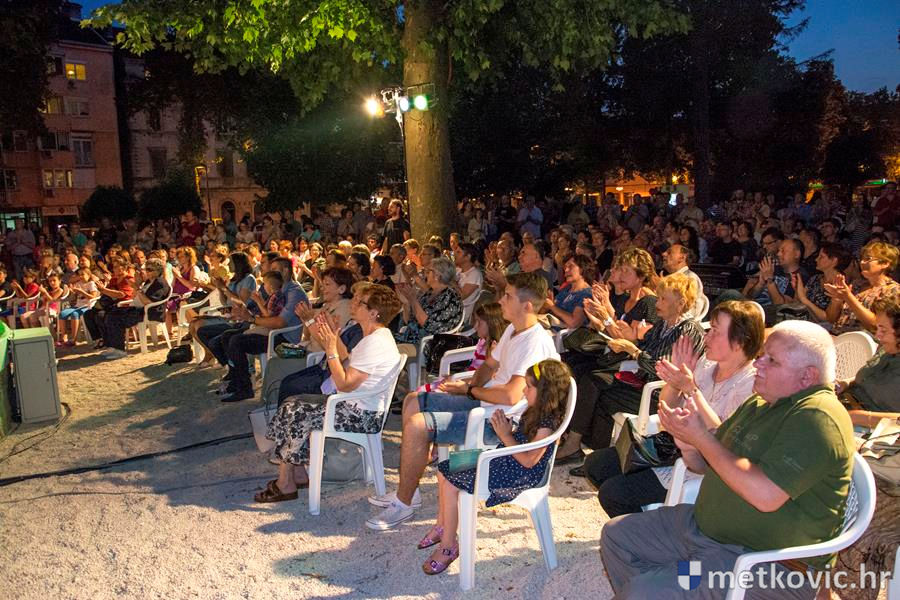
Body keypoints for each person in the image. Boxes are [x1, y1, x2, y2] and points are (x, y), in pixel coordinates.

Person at [601, 320, 854, 599]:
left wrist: (702, 438)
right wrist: (690, 445)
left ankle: (668, 587)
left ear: (807, 376)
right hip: (704, 533)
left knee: (644, 592)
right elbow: (707, 464)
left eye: (771, 360)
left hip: (763, 562)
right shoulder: (760, 402)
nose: (758, 364)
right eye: (761, 356)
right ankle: (673, 585)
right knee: (618, 537)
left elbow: (766, 496)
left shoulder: (817, 417)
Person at [366, 271, 559, 530]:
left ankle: (403, 504)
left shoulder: (535, 342)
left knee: (417, 425)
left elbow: (511, 395)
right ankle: (409, 492)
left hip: (501, 422)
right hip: (486, 404)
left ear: (527, 306)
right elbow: (489, 365)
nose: (500, 300)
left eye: (508, 296)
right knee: (414, 400)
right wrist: (471, 386)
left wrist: (469, 391)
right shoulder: (514, 328)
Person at [578, 301, 762, 515]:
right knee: (595, 465)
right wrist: (675, 382)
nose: (707, 336)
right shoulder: (707, 364)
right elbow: (666, 407)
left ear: (739, 342)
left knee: (613, 493)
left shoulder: (751, 383)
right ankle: (643, 518)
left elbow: (723, 436)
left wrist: (691, 390)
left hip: (703, 463)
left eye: (715, 331)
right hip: (675, 446)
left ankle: (645, 529)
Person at [419, 359, 571, 575]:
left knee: (451, 484)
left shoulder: (547, 424)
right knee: (447, 468)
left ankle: (448, 546)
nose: (524, 390)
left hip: (518, 473)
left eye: (529, 387)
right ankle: (444, 526)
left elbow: (529, 461)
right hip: (503, 458)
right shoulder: (535, 410)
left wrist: (505, 435)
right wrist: (507, 429)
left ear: (546, 393)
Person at [254, 284, 402, 502]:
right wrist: (334, 337)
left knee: (294, 409)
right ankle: (298, 473)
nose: (354, 303)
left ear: (373, 313)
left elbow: (345, 383)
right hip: (355, 406)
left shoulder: (375, 343)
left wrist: (331, 349)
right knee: (294, 403)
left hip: (361, 415)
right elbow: (348, 361)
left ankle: (285, 483)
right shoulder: (375, 337)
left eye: (360, 302)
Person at [557, 272, 705, 462]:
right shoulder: (665, 324)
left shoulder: (687, 330)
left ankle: (579, 447)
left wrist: (633, 350)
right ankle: (590, 451)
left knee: (596, 387)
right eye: (659, 297)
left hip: (662, 393)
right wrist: (629, 339)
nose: (657, 303)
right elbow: (644, 346)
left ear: (680, 303)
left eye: (663, 299)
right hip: (642, 379)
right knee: (593, 381)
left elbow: (664, 369)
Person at [218, 257, 307, 402]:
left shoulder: (294, 292)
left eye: (274, 269)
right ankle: (236, 380)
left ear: (285, 270)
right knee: (227, 336)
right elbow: (266, 312)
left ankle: (245, 388)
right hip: (269, 330)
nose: (271, 272)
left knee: (237, 341)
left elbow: (280, 322)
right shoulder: (279, 290)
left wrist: (252, 319)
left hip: (283, 338)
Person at [835, 292, 900, 426]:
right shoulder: (887, 349)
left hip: (871, 428)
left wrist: (860, 417)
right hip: (846, 404)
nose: (878, 335)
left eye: (883, 330)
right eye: (878, 328)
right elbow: (869, 377)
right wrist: (846, 383)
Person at [191, 252, 258, 368]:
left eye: (230, 262)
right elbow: (225, 302)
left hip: (240, 319)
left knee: (199, 326)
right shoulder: (234, 279)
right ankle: (211, 354)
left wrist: (224, 288)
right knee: (192, 324)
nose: (228, 264)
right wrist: (220, 288)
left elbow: (241, 302)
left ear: (238, 263)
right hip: (228, 314)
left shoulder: (249, 279)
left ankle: (221, 358)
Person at [99, 258, 172, 360]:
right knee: (110, 314)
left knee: (116, 319)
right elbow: (135, 296)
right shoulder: (149, 281)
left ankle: (119, 350)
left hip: (149, 312)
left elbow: (148, 302)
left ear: (158, 271)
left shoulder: (160, 283)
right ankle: (113, 346)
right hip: (138, 309)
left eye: (150, 270)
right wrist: (137, 284)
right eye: (146, 269)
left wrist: (137, 287)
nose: (146, 271)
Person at [826, 241, 900, 334]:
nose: (862, 262)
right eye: (861, 259)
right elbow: (831, 319)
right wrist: (836, 300)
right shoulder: (857, 285)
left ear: (885, 263)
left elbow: (876, 325)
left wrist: (848, 297)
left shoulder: (892, 290)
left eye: (868, 259)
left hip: (862, 340)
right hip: (838, 336)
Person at [394, 257, 463, 348]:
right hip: (411, 337)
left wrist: (413, 299)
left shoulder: (450, 298)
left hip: (426, 344)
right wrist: (406, 302)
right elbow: (409, 320)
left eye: (428, 271)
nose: (425, 274)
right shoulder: (430, 293)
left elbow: (429, 326)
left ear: (437, 276)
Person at [83, 259, 135, 346]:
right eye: (113, 267)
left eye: (115, 267)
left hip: (123, 306)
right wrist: (103, 287)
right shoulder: (114, 279)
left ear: (123, 268)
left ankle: (109, 340)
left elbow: (121, 294)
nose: (113, 269)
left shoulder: (129, 279)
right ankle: (100, 339)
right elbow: (107, 293)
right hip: (111, 305)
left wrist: (104, 289)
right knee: (88, 314)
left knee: (100, 315)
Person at [543, 254, 594, 329]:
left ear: (583, 268)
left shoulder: (587, 294)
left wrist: (552, 306)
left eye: (570, 266)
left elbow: (574, 323)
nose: (566, 270)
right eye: (565, 267)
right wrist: (548, 305)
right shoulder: (566, 289)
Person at [660, 243, 705, 319]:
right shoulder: (668, 278)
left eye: (669, 252)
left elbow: (687, 312)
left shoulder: (690, 279)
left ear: (682, 257)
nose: (663, 254)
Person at [58, 267, 100, 346]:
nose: (80, 276)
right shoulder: (78, 283)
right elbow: (75, 296)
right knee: (62, 313)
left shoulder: (91, 284)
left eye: (82, 274)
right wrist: (73, 292)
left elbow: (93, 297)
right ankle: (64, 337)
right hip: (78, 305)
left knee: (75, 314)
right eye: (79, 275)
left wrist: (82, 292)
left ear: (88, 275)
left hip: (87, 306)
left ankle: (74, 339)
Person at [454, 242, 483, 318]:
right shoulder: (458, 270)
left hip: (460, 315)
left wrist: (450, 280)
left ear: (467, 257)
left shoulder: (475, 274)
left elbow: (461, 296)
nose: (454, 254)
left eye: (458, 252)